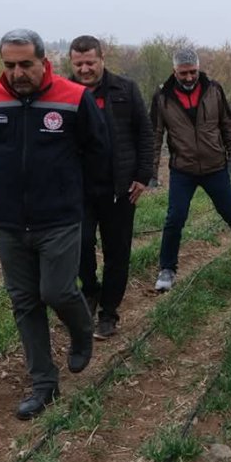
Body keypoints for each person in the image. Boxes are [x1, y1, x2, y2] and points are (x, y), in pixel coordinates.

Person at [0, 29, 109, 420]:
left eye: (25, 64)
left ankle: (82, 332)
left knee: (58, 291)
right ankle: (44, 383)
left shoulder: (73, 98)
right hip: (9, 221)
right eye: (9, 65)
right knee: (25, 302)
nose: (17, 72)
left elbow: (97, 151)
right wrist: (9, 181)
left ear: (44, 62)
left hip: (60, 218)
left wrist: (74, 193)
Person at [68, 35, 153, 339]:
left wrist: (144, 175)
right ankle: (90, 290)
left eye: (90, 62)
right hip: (79, 189)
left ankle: (109, 314)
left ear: (102, 58)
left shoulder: (125, 89)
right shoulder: (64, 93)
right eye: (79, 64)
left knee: (117, 253)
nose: (85, 69)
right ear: (71, 63)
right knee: (80, 244)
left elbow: (145, 134)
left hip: (120, 188)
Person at [149, 48, 231, 291]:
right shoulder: (162, 97)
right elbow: (154, 136)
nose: (188, 77)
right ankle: (167, 269)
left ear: (198, 68)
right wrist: (151, 173)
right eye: (183, 73)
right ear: (175, 71)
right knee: (175, 218)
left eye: (192, 72)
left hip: (215, 166)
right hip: (182, 169)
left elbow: (228, 125)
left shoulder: (214, 90)